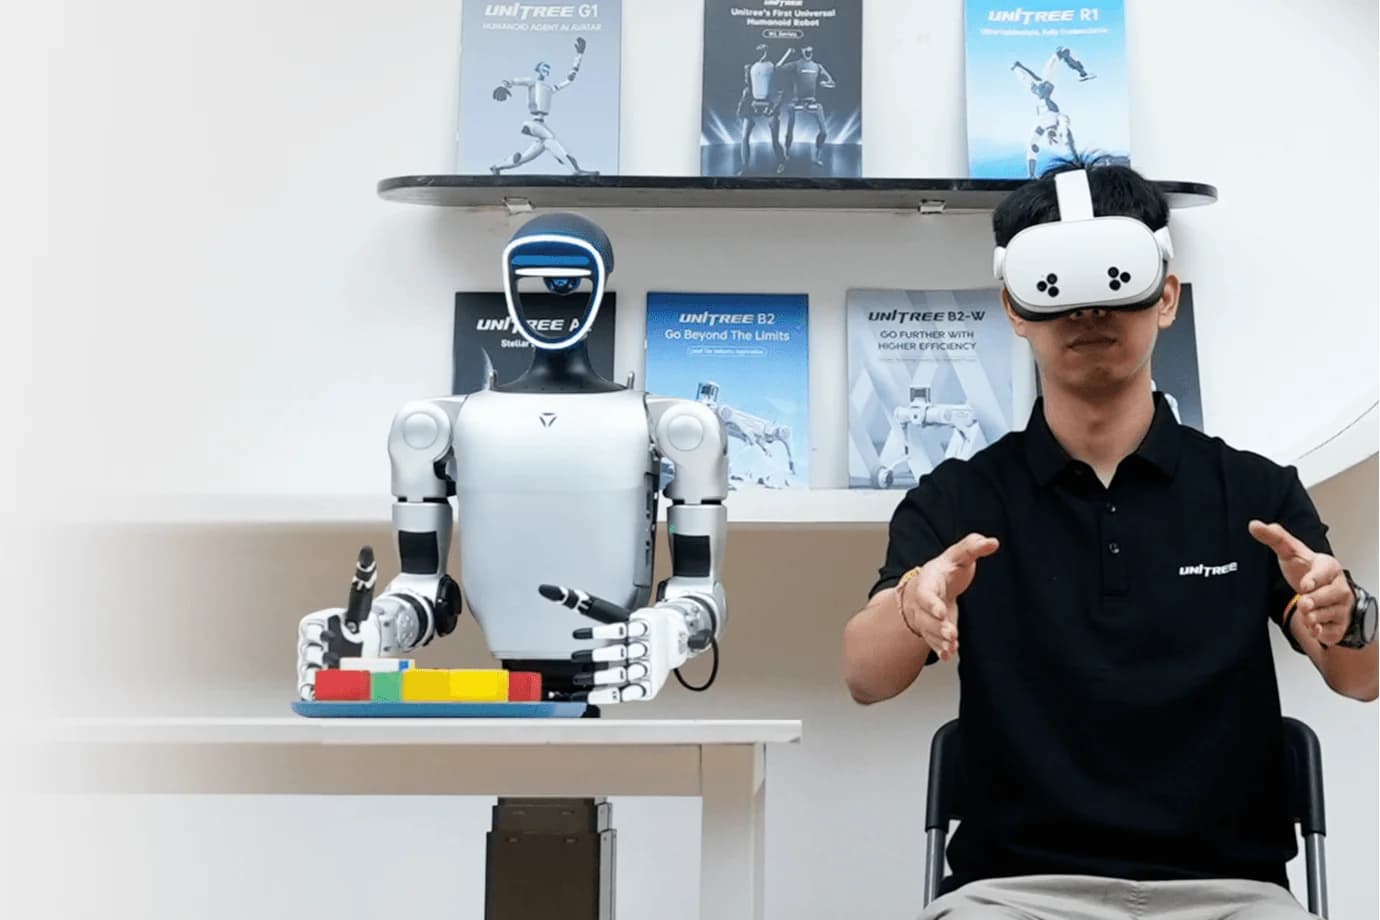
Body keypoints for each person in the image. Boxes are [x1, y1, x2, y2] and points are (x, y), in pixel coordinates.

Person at [841, 156, 1378, 920]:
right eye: (1059, 294)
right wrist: (912, 605)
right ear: (1015, 307)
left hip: (1231, 897)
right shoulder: (959, 499)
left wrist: (1347, 607)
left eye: (1114, 289)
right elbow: (864, 677)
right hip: (1012, 896)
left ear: (1165, 296)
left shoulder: (1255, 492)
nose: (1088, 314)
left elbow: (1362, 677)